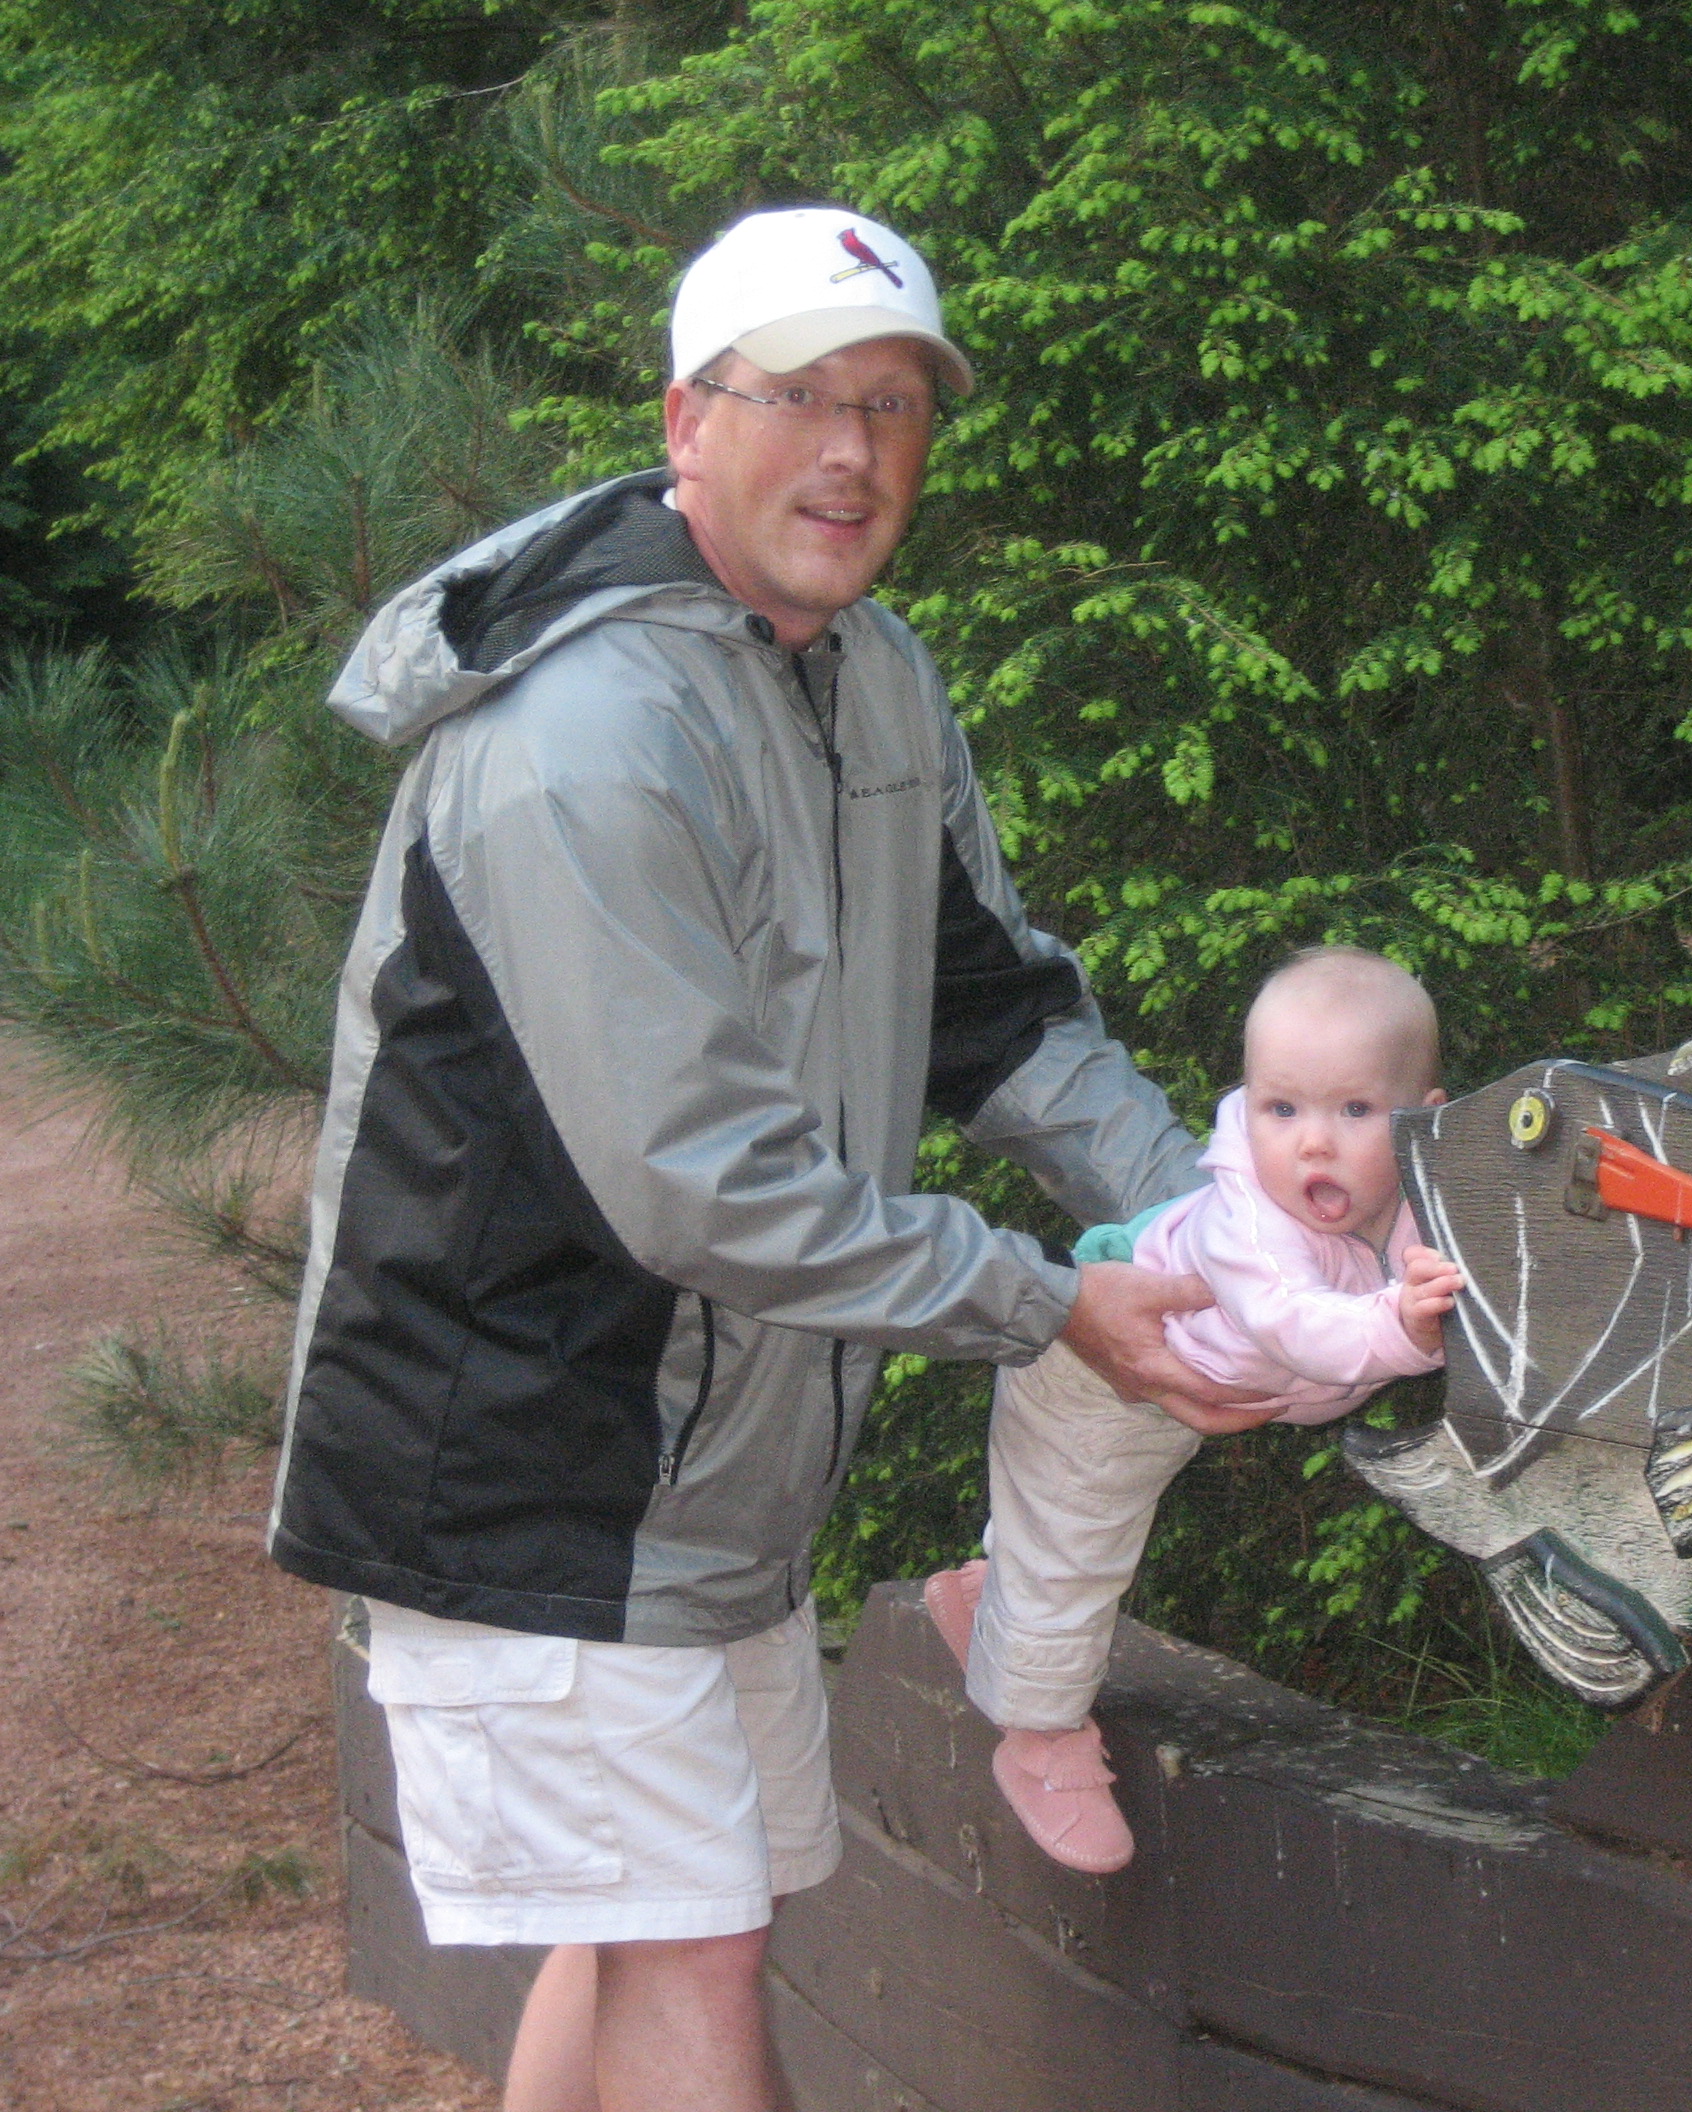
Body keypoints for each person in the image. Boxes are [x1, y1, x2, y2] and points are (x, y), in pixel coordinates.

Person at [265, 206, 1269, 2112]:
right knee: (695, 1952)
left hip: (699, 1479)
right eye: (799, 396)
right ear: (685, 421)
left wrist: (1210, 1224)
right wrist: (1054, 1304)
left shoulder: (870, 678)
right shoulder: (580, 733)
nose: (851, 452)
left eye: (892, 405)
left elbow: (995, 1011)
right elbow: (696, 1180)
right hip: (527, 1464)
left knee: (648, 1929)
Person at [923, 947, 1463, 1873]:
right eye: (1281, 1109)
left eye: (1355, 1110)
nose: (1313, 1144)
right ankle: (1038, 1737)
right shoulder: (1250, 1222)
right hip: (1096, 1369)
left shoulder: (1419, 1192)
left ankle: (988, 1601)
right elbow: (1295, 1325)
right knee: (1077, 1538)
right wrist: (1404, 1326)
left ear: (1427, 1117)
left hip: (1184, 1385)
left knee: (1057, 1534)